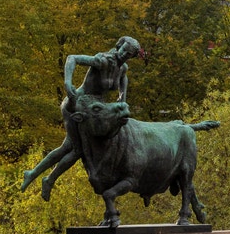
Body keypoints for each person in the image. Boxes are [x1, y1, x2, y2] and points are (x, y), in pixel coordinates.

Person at [22, 35, 143, 199]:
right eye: (124, 51)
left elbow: (123, 78)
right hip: (77, 104)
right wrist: (67, 82)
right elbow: (72, 58)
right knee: (75, 149)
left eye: (129, 54)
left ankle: (37, 175)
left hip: (94, 108)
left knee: (70, 148)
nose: (124, 55)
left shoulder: (122, 68)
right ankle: (46, 179)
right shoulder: (103, 60)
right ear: (119, 46)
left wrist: (123, 96)